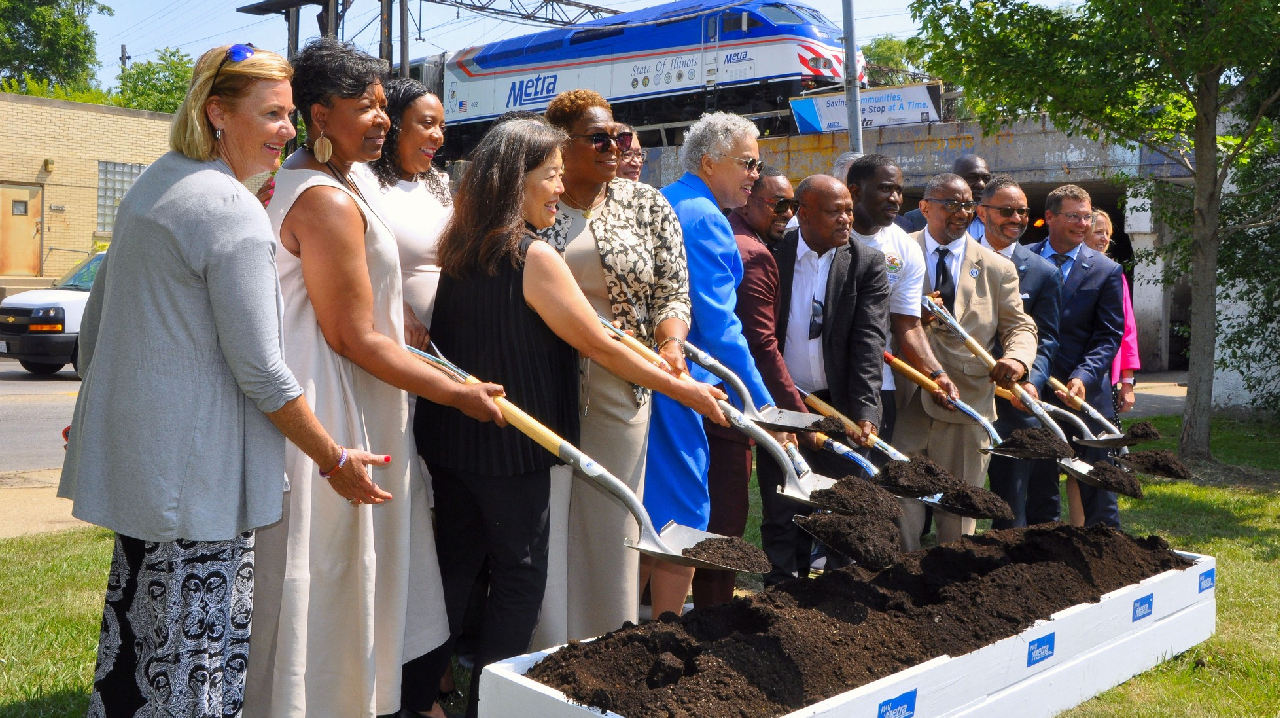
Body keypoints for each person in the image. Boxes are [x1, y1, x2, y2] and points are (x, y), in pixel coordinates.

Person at [59, 44, 390, 718]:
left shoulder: (159, 181)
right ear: (217, 112)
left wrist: (102, 413)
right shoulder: (230, 212)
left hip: (154, 478)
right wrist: (334, 459)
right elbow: (264, 371)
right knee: (190, 673)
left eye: (289, 115)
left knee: (136, 660)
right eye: (271, 115)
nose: (288, 131)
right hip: (198, 485)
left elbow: (97, 326)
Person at [414, 117, 726, 718]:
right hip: (516, 444)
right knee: (520, 579)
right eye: (551, 176)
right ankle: (493, 703)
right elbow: (600, 346)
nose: (559, 189)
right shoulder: (533, 256)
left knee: (454, 570)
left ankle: (423, 696)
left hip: (453, 441)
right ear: (516, 181)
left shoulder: (460, 245)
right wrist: (685, 393)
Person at [244, 39, 508, 718]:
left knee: (351, 572)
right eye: (365, 108)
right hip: (335, 405)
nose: (382, 120)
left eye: (384, 106)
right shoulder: (323, 200)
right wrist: (458, 391)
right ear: (319, 114)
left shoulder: (346, 183)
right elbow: (353, 337)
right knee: (328, 567)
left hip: (357, 399)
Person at [533, 90, 692, 645]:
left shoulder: (646, 203)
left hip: (622, 386)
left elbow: (674, 290)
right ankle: (547, 647)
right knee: (549, 518)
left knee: (612, 520)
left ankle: (606, 642)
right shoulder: (529, 204)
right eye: (598, 138)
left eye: (619, 136)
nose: (615, 146)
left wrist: (671, 343)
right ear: (561, 145)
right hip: (543, 383)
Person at [646, 111, 782, 618]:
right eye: (748, 163)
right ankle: (666, 632)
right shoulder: (705, 218)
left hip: (646, 376)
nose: (756, 175)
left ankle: (626, 630)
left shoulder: (666, 198)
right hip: (681, 389)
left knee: (647, 514)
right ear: (709, 161)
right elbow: (722, 327)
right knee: (684, 516)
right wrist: (762, 402)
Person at [895, 173, 1037, 550]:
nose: (961, 213)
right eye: (951, 204)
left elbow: (1021, 326)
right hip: (905, 398)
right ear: (925, 207)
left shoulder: (996, 268)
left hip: (968, 404)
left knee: (958, 512)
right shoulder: (894, 251)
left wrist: (1018, 360)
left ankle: (950, 585)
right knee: (900, 501)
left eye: (967, 205)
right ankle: (900, 582)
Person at [768, 174, 891, 579]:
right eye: (833, 211)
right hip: (782, 406)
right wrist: (782, 403)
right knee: (785, 510)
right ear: (802, 214)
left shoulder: (865, 263)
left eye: (849, 211)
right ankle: (783, 597)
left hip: (840, 406)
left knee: (846, 512)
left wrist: (865, 411)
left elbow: (869, 343)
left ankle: (838, 592)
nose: (845, 220)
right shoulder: (772, 253)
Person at [695, 165, 805, 601]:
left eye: (793, 206)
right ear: (748, 198)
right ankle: (713, 614)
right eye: (779, 204)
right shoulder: (751, 252)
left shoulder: (732, 235)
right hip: (729, 404)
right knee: (725, 519)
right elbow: (758, 344)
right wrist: (789, 412)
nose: (788, 214)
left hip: (699, 395)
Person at [1025, 185, 1125, 528]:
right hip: (1034, 393)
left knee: (1099, 483)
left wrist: (1082, 376)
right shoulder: (1021, 260)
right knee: (1038, 485)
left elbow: (1109, 335)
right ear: (1050, 217)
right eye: (1074, 216)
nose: (1083, 224)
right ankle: (1042, 553)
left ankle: (1106, 554)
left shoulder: (1106, 270)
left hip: (1086, 396)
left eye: (1087, 216)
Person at [846, 154, 957, 444]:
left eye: (898, 190)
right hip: (814, 379)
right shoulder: (814, 233)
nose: (895, 198)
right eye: (885, 188)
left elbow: (907, 323)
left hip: (875, 383)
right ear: (855, 191)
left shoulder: (905, 248)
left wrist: (936, 373)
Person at [977, 176, 1064, 529]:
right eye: (1007, 211)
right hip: (958, 394)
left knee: (1011, 504)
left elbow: (1047, 339)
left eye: (1022, 212)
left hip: (1013, 403)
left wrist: (1031, 381)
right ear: (982, 212)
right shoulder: (955, 258)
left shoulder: (1044, 272)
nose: (1016, 218)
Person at [353, 77, 451, 348]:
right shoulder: (362, 182)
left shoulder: (438, 184)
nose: (438, 136)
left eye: (442, 127)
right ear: (394, 125)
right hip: (394, 343)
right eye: (427, 124)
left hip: (447, 347)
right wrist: (398, 307)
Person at [1089, 209, 1140, 413]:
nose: (1105, 238)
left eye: (1107, 233)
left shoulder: (1114, 275)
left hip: (1104, 375)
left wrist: (1127, 383)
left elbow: (1127, 330)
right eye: (1098, 232)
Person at [895, 154, 991, 239]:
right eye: (972, 178)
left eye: (986, 179)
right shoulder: (915, 219)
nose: (981, 184)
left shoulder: (997, 218)